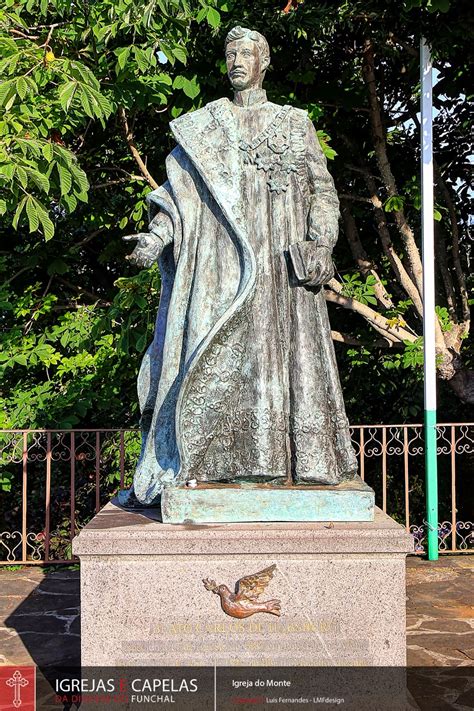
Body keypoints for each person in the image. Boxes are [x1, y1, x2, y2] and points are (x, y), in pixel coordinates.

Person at [120, 26, 357, 506]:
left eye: (246, 52)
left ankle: (290, 465)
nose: (236, 61)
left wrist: (321, 242)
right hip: (224, 271)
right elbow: (178, 199)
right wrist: (155, 237)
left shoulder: (294, 123)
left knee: (279, 365)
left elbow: (323, 191)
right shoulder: (207, 125)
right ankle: (217, 468)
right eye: (230, 53)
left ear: (263, 61)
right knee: (216, 361)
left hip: (283, 272)